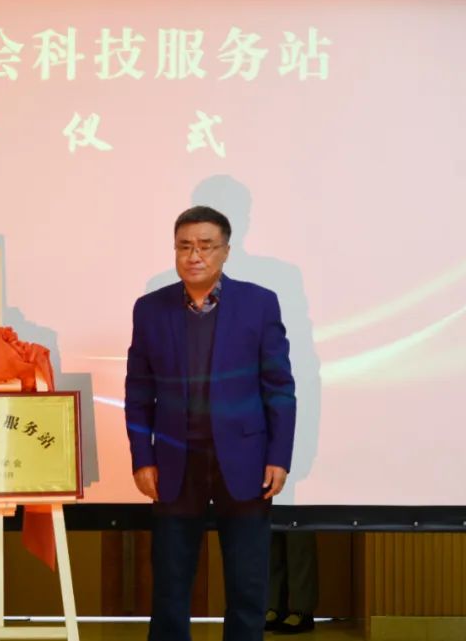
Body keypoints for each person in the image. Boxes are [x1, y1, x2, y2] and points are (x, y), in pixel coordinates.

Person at [125, 205, 296, 641]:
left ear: (225, 251)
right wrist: (142, 458)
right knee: (170, 581)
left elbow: (279, 387)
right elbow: (139, 392)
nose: (194, 256)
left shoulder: (259, 303)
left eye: (205, 246)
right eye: (184, 246)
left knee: (247, 581)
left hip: (245, 459)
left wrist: (278, 456)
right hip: (175, 461)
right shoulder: (150, 309)